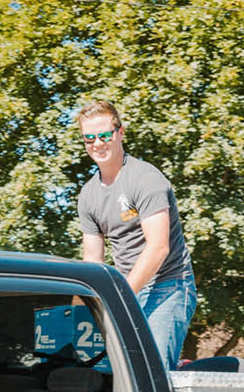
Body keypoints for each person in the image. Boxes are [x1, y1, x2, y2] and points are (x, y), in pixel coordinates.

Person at [75, 100, 198, 370]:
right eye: (89, 138)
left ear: (120, 133)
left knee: (151, 371)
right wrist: (78, 305)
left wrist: (120, 295)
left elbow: (158, 248)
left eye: (104, 135)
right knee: (119, 372)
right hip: (129, 288)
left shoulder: (145, 179)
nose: (97, 143)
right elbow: (93, 260)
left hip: (169, 285)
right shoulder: (88, 195)